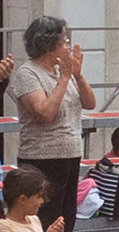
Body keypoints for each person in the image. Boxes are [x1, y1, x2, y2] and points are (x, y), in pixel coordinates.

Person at [5, 14, 95, 187]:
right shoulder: (28, 74)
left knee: (67, 214)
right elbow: (44, 113)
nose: (68, 47)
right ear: (48, 45)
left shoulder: (62, 70)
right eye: (64, 42)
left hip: (71, 154)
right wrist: (64, 78)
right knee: (46, 213)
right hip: (42, 158)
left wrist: (78, 76)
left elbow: (90, 103)